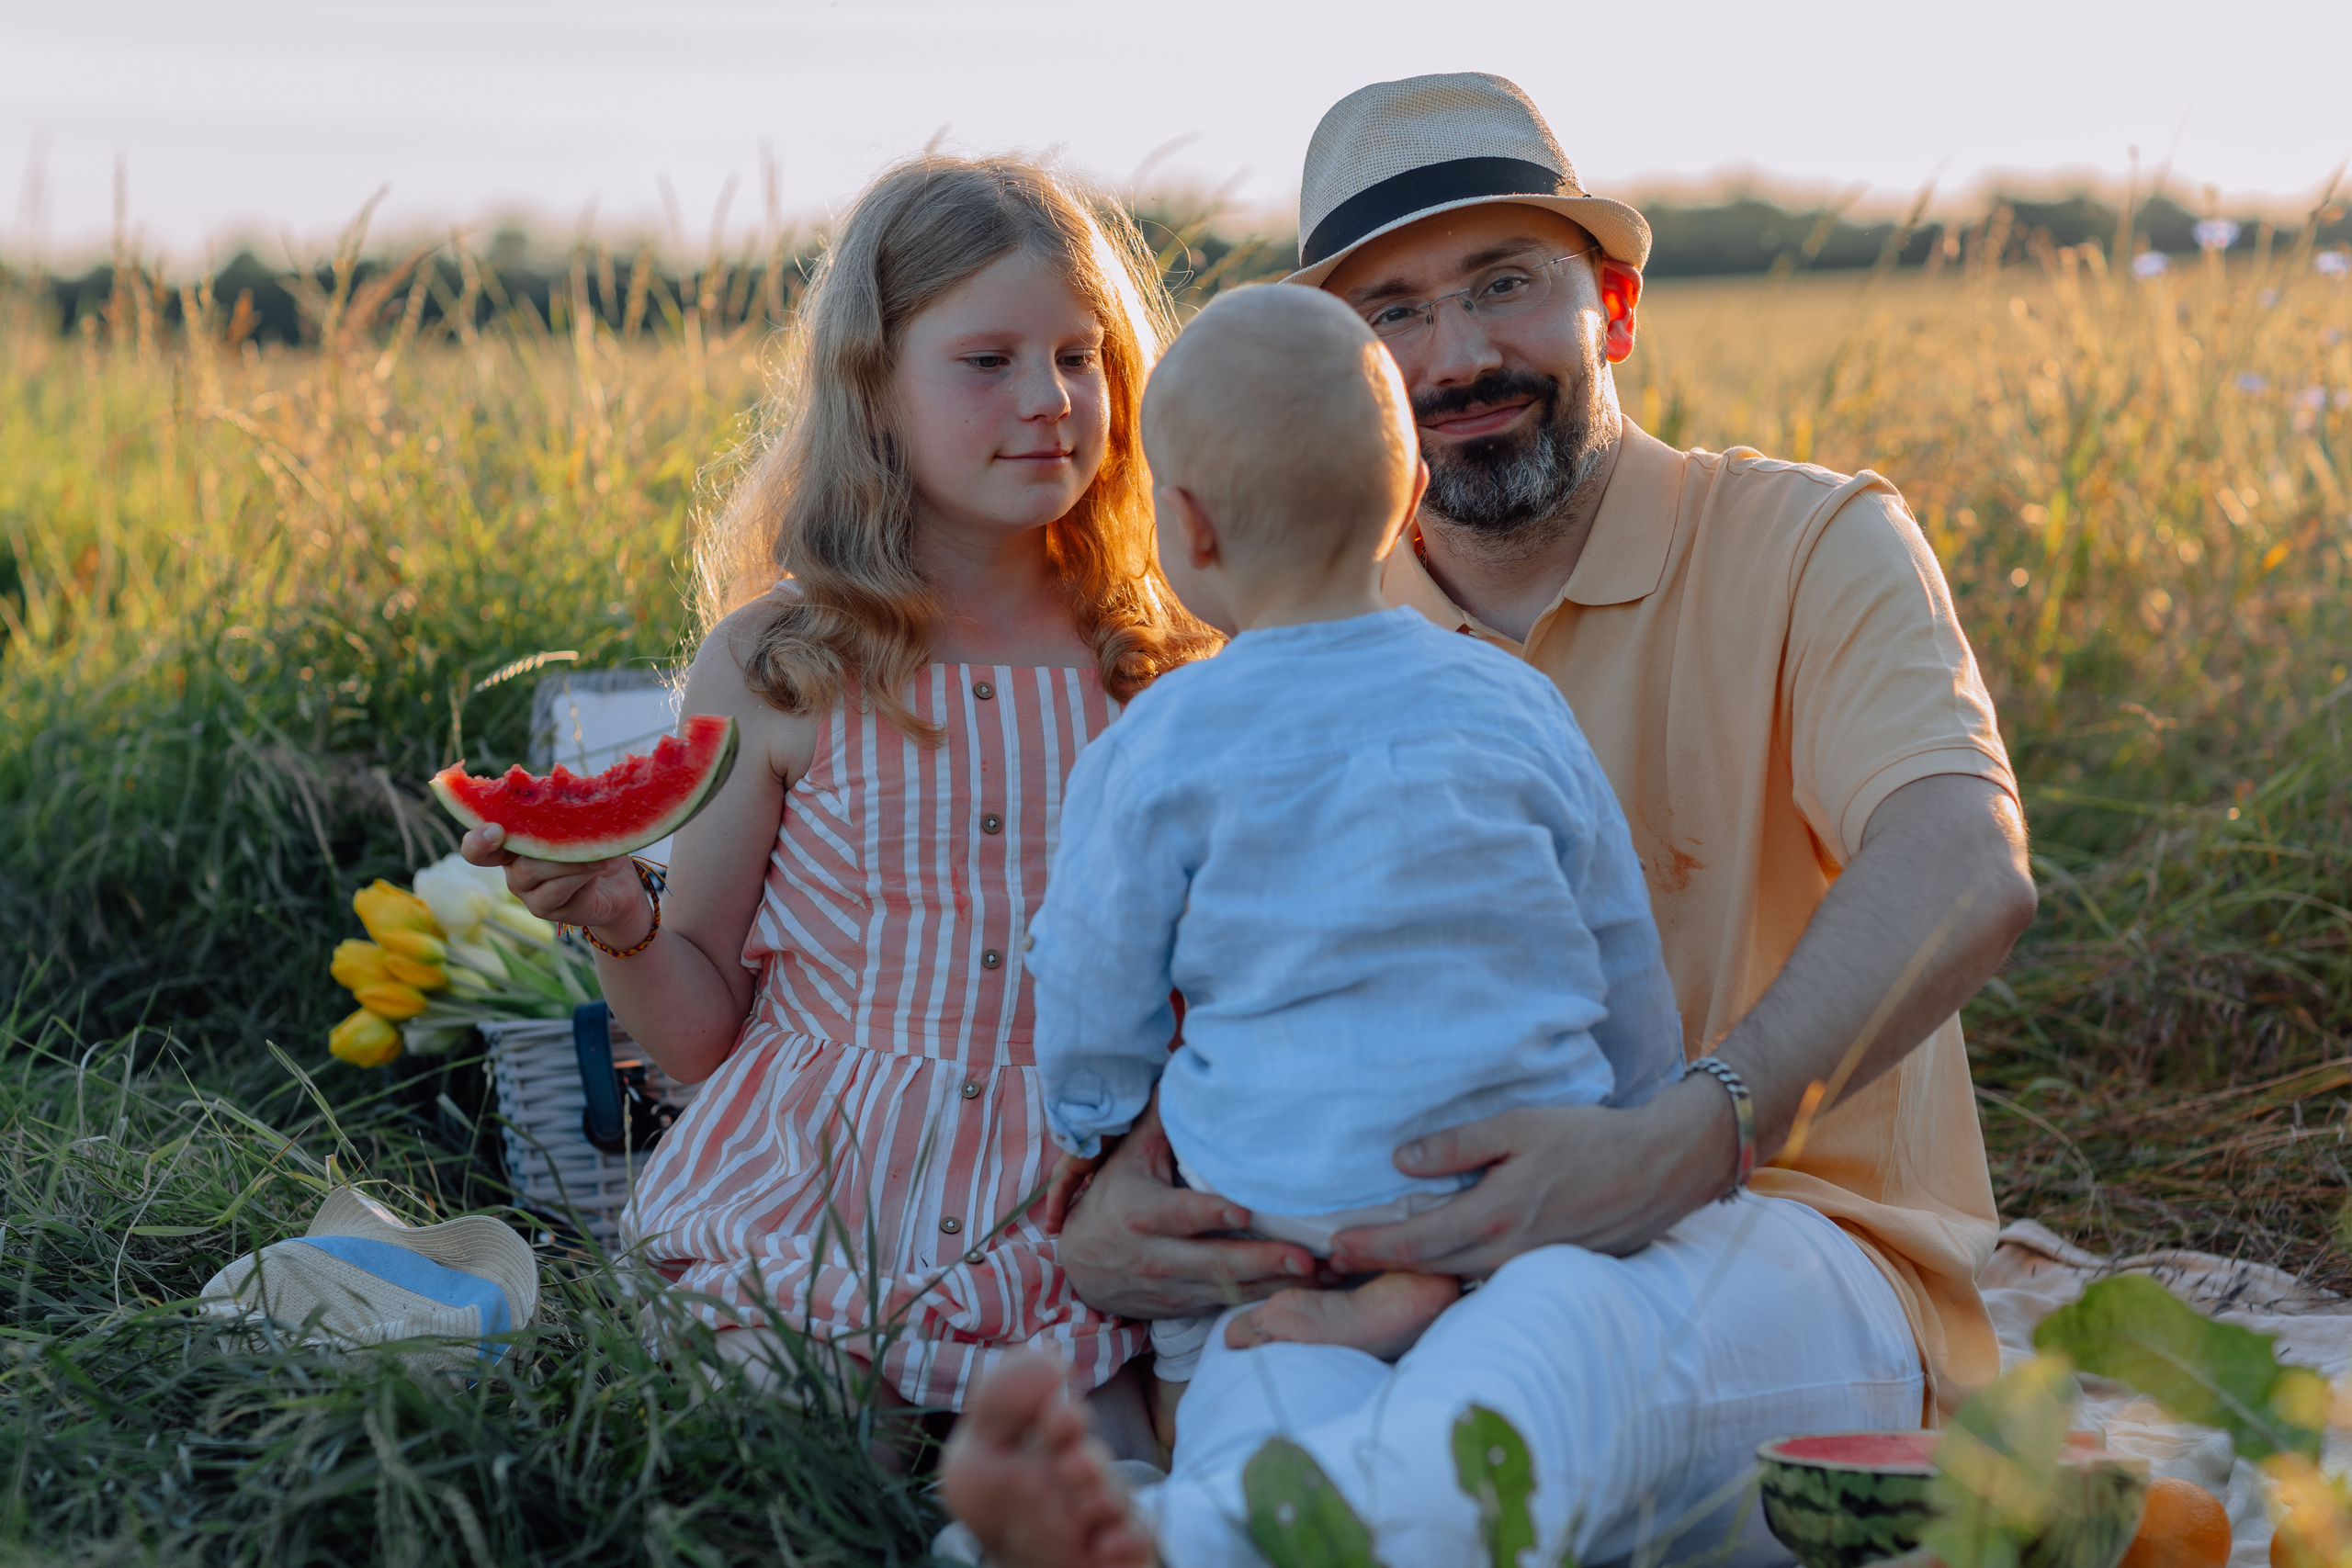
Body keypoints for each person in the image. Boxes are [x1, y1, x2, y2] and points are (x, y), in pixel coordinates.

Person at [944, 73, 2037, 1566]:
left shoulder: (1808, 538)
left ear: (1618, 310)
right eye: (1394, 310)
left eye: (1505, 284)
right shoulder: (1275, 660)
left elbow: (1966, 862)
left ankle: (1174, 1542)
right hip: (1369, 1277)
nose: (1456, 354)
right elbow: (1176, 994)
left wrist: (1685, 1134)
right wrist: (1109, 1201)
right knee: (1284, 1366)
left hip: (1778, 1249)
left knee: (1562, 1323)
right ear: (1353, 378)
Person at [460, 152, 1214, 1461]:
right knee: (794, 1467)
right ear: (872, 385)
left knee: (1113, 1503)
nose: (1047, 400)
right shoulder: (780, 660)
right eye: (988, 360)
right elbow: (696, 1035)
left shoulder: (1161, 660)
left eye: (1081, 356)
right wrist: (615, 917)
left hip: (1076, 1221)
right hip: (812, 1214)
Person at [1026, 285, 1682, 1452]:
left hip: (1286, 1203)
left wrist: (1094, 1118)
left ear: (1189, 528)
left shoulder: (1158, 744)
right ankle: (1440, 1296)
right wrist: (1637, 1120)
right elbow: (1614, 939)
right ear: (1414, 496)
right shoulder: (1516, 702)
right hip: (1522, 1184)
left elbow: (1094, 965)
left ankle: (1192, 1461)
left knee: (1193, 1343)